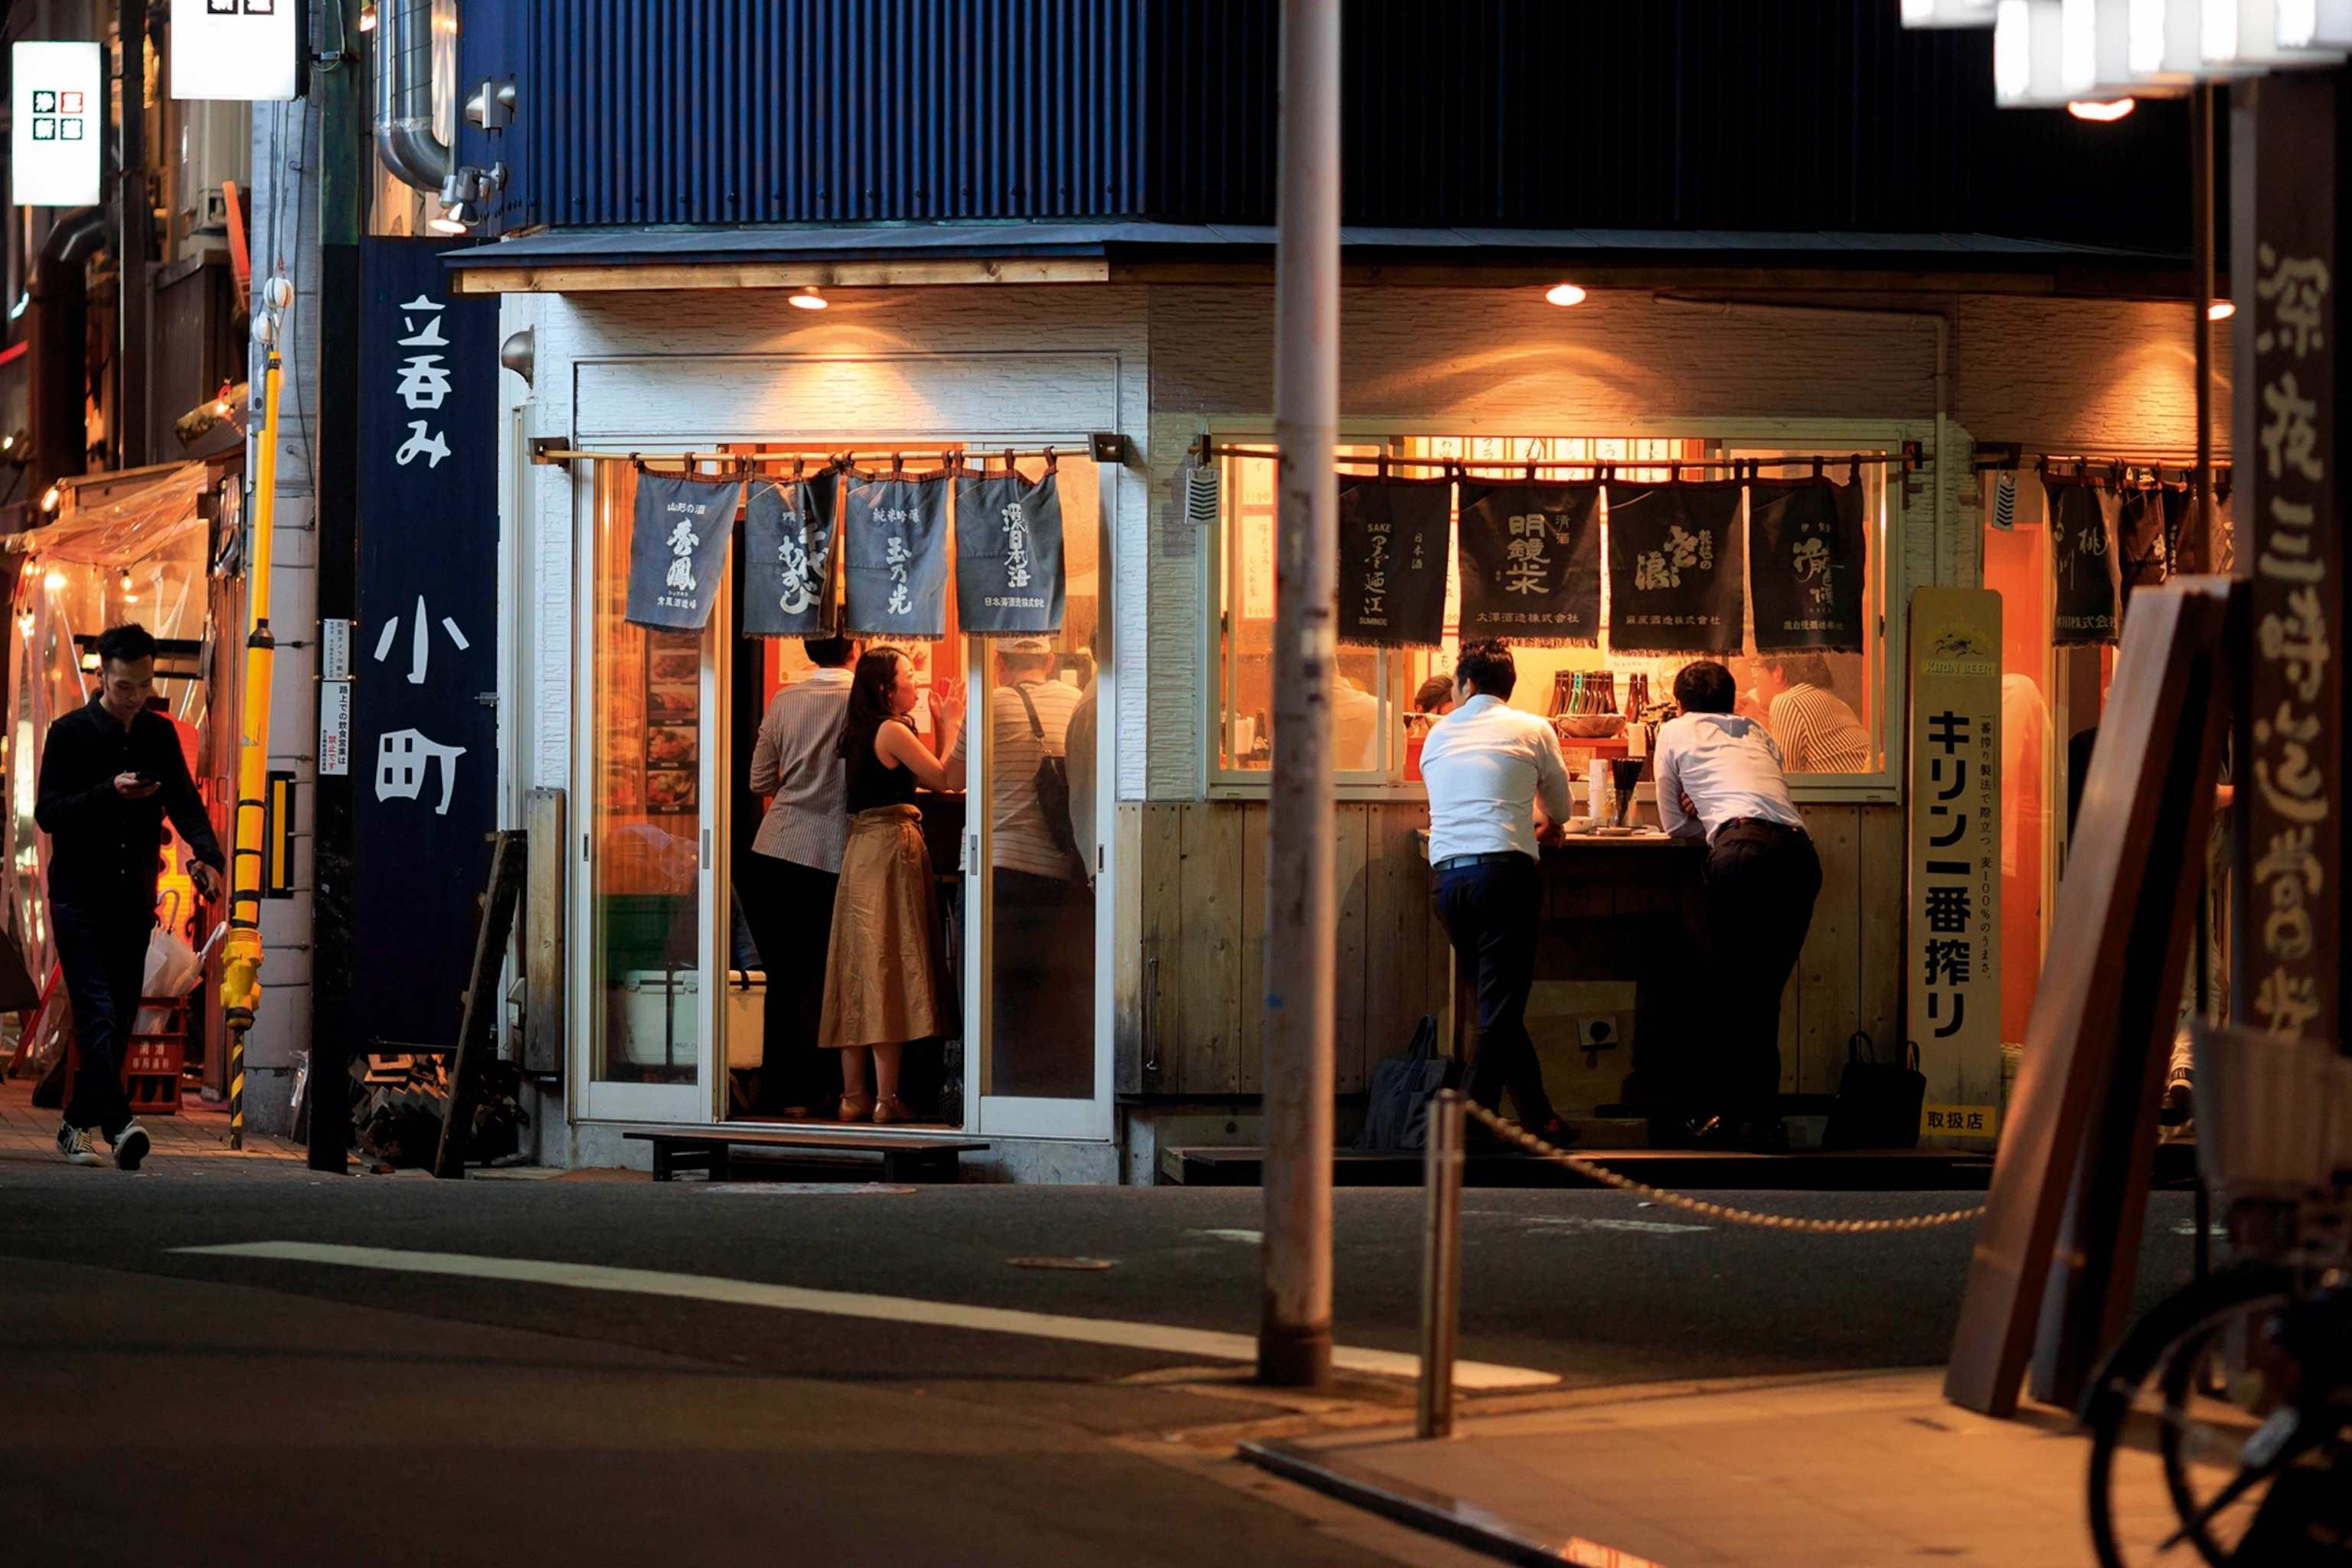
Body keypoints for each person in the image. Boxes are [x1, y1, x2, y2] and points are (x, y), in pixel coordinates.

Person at [37, 623, 224, 1169]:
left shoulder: (158, 735)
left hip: (132, 896)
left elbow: (186, 802)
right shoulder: (69, 733)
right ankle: (121, 1128)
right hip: (77, 895)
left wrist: (206, 858)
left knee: (117, 1022)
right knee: (95, 1012)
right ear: (101, 677)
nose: (136, 697)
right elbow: (49, 812)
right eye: (125, 687)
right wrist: (107, 792)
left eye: (144, 685)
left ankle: (75, 1124)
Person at [1655, 659, 1821, 1152]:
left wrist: (1703, 811)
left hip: (1743, 855)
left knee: (1731, 991)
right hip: (1799, 855)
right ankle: (1765, 1122)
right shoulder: (1757, 731)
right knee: (1762, 994)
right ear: (1731, 700)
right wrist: (1711, 806)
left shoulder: (1675, 731)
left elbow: (1671, 825)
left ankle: (1726, 1118)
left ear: (1680, 704)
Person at [1416, 638, 1574, 1140]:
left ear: (1465, 685)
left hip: (1448, 880)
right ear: (1507, 686)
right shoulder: (1532, 727)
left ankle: (1540, 1118)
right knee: (1500, 1008)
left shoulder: (1438, 734)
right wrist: (1545, 825)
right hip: (1504, 875)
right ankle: (1468, 1122)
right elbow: (1563, 809)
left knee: (1495, 1006)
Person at [819, 645, 965, 1124]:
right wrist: (955, 721)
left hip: (861, 849)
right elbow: (947, 777)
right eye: (908, 675)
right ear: (886, 688)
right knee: (890, 967)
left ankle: (852, 1095)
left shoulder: (859, 730)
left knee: (855, 968)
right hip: (891, 851)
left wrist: (940, 723)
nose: (915, 683)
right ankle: (887, 1099)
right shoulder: (892, 729)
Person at [949, 639, 1089, 1093]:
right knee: (1048, 997)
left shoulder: (989, 705)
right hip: (1058, 870)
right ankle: (1043, 1097)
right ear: (1048, 661)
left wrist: (947, 723)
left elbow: (952, 779)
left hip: (996, 866)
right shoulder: (1075, 703)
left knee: (990, 993)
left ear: (999, 662)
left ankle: (991, 1095)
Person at [740, 635, 859, 1117]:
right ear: (856, 649)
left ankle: (782, 1091)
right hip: (838, 852)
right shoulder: (861, 698)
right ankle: (831, 1089)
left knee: (783, 979)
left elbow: (759, 781)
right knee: (835, 978)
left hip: (777, 848)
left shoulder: (784, 699)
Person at [1753, 652, 1871, 773]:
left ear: (1778, 672)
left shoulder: (1789, 701)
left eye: (1757, 670)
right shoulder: (1840, 704)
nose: (1755, 680)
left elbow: (1784, 780)